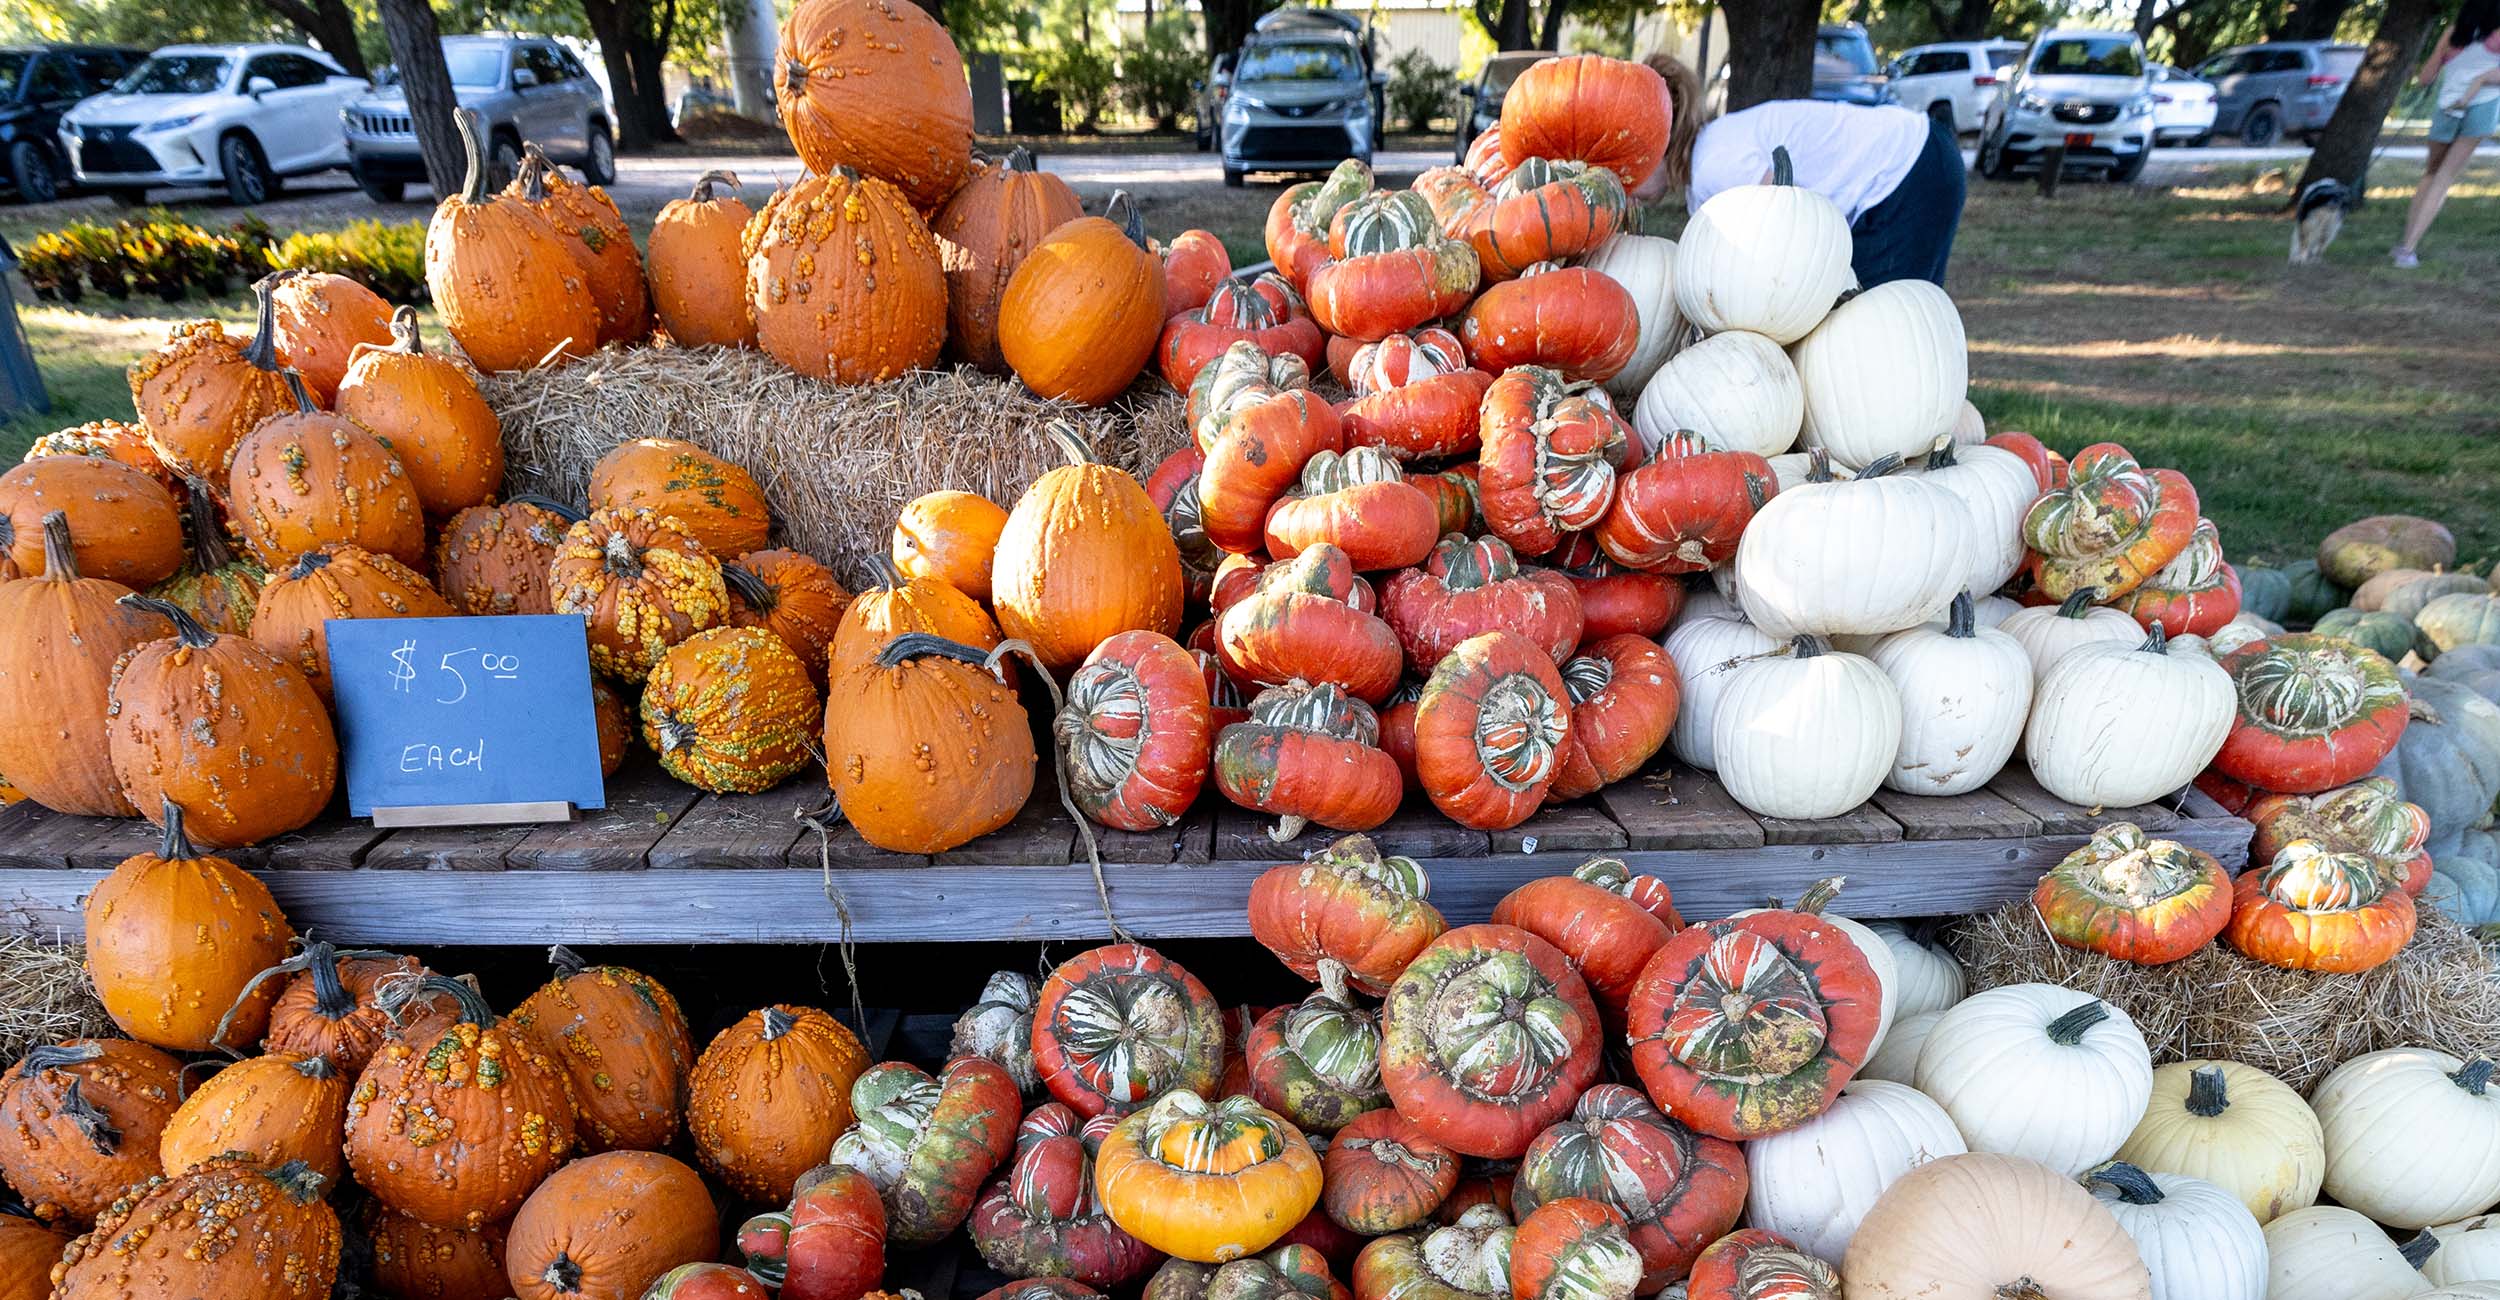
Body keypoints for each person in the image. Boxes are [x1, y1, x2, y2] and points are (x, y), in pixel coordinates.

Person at [1644, 56, 1966, 289]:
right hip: (1919, 161)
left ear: (1658, 143)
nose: (1624, 183)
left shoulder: (1714, 166)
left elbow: (1790, 223)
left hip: (1911, 170)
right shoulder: (1707, 160)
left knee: (1877, 323)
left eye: (1627, 167)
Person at [2394, 0, 2500, 267]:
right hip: (2482, 109)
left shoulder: (2452, 33)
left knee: (2431, 173)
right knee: (2445, 177)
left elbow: (2426, 78)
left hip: (2446, 108)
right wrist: (2482, 78)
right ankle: (2408, 249)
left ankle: (2404, 244)